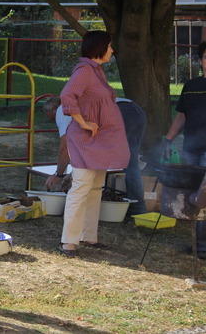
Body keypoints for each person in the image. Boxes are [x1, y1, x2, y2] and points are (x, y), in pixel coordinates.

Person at [58, 30, 130, 257]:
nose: (112, 50)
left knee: (96, 187)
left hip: (98, 141)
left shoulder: (96, 71)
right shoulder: (84, 71)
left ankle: (88, 236)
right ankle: (69, 242)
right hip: (84, 141)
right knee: (81, 187)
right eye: (109, 46)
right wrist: (84, 123)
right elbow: (67, 97)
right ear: (100, 47)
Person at [43, 96, 147, 215]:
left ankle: (137, 210)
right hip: (135, 110)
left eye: (51, 118)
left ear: (53, 110)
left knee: (129, 163)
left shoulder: (63, 110)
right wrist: (73, 174)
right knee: (130, 162)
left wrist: (59, 174)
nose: (55, 121)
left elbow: (64, 147)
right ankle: (137, 208)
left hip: (120, 113)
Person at [164, 41, 206, 258]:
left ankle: (202, 246)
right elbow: (181, 115)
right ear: (201, 61)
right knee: (192, 196)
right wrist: (169, 139)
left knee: (204, 195)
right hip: (191, 148)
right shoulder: (191, 85)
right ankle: (197, 244)